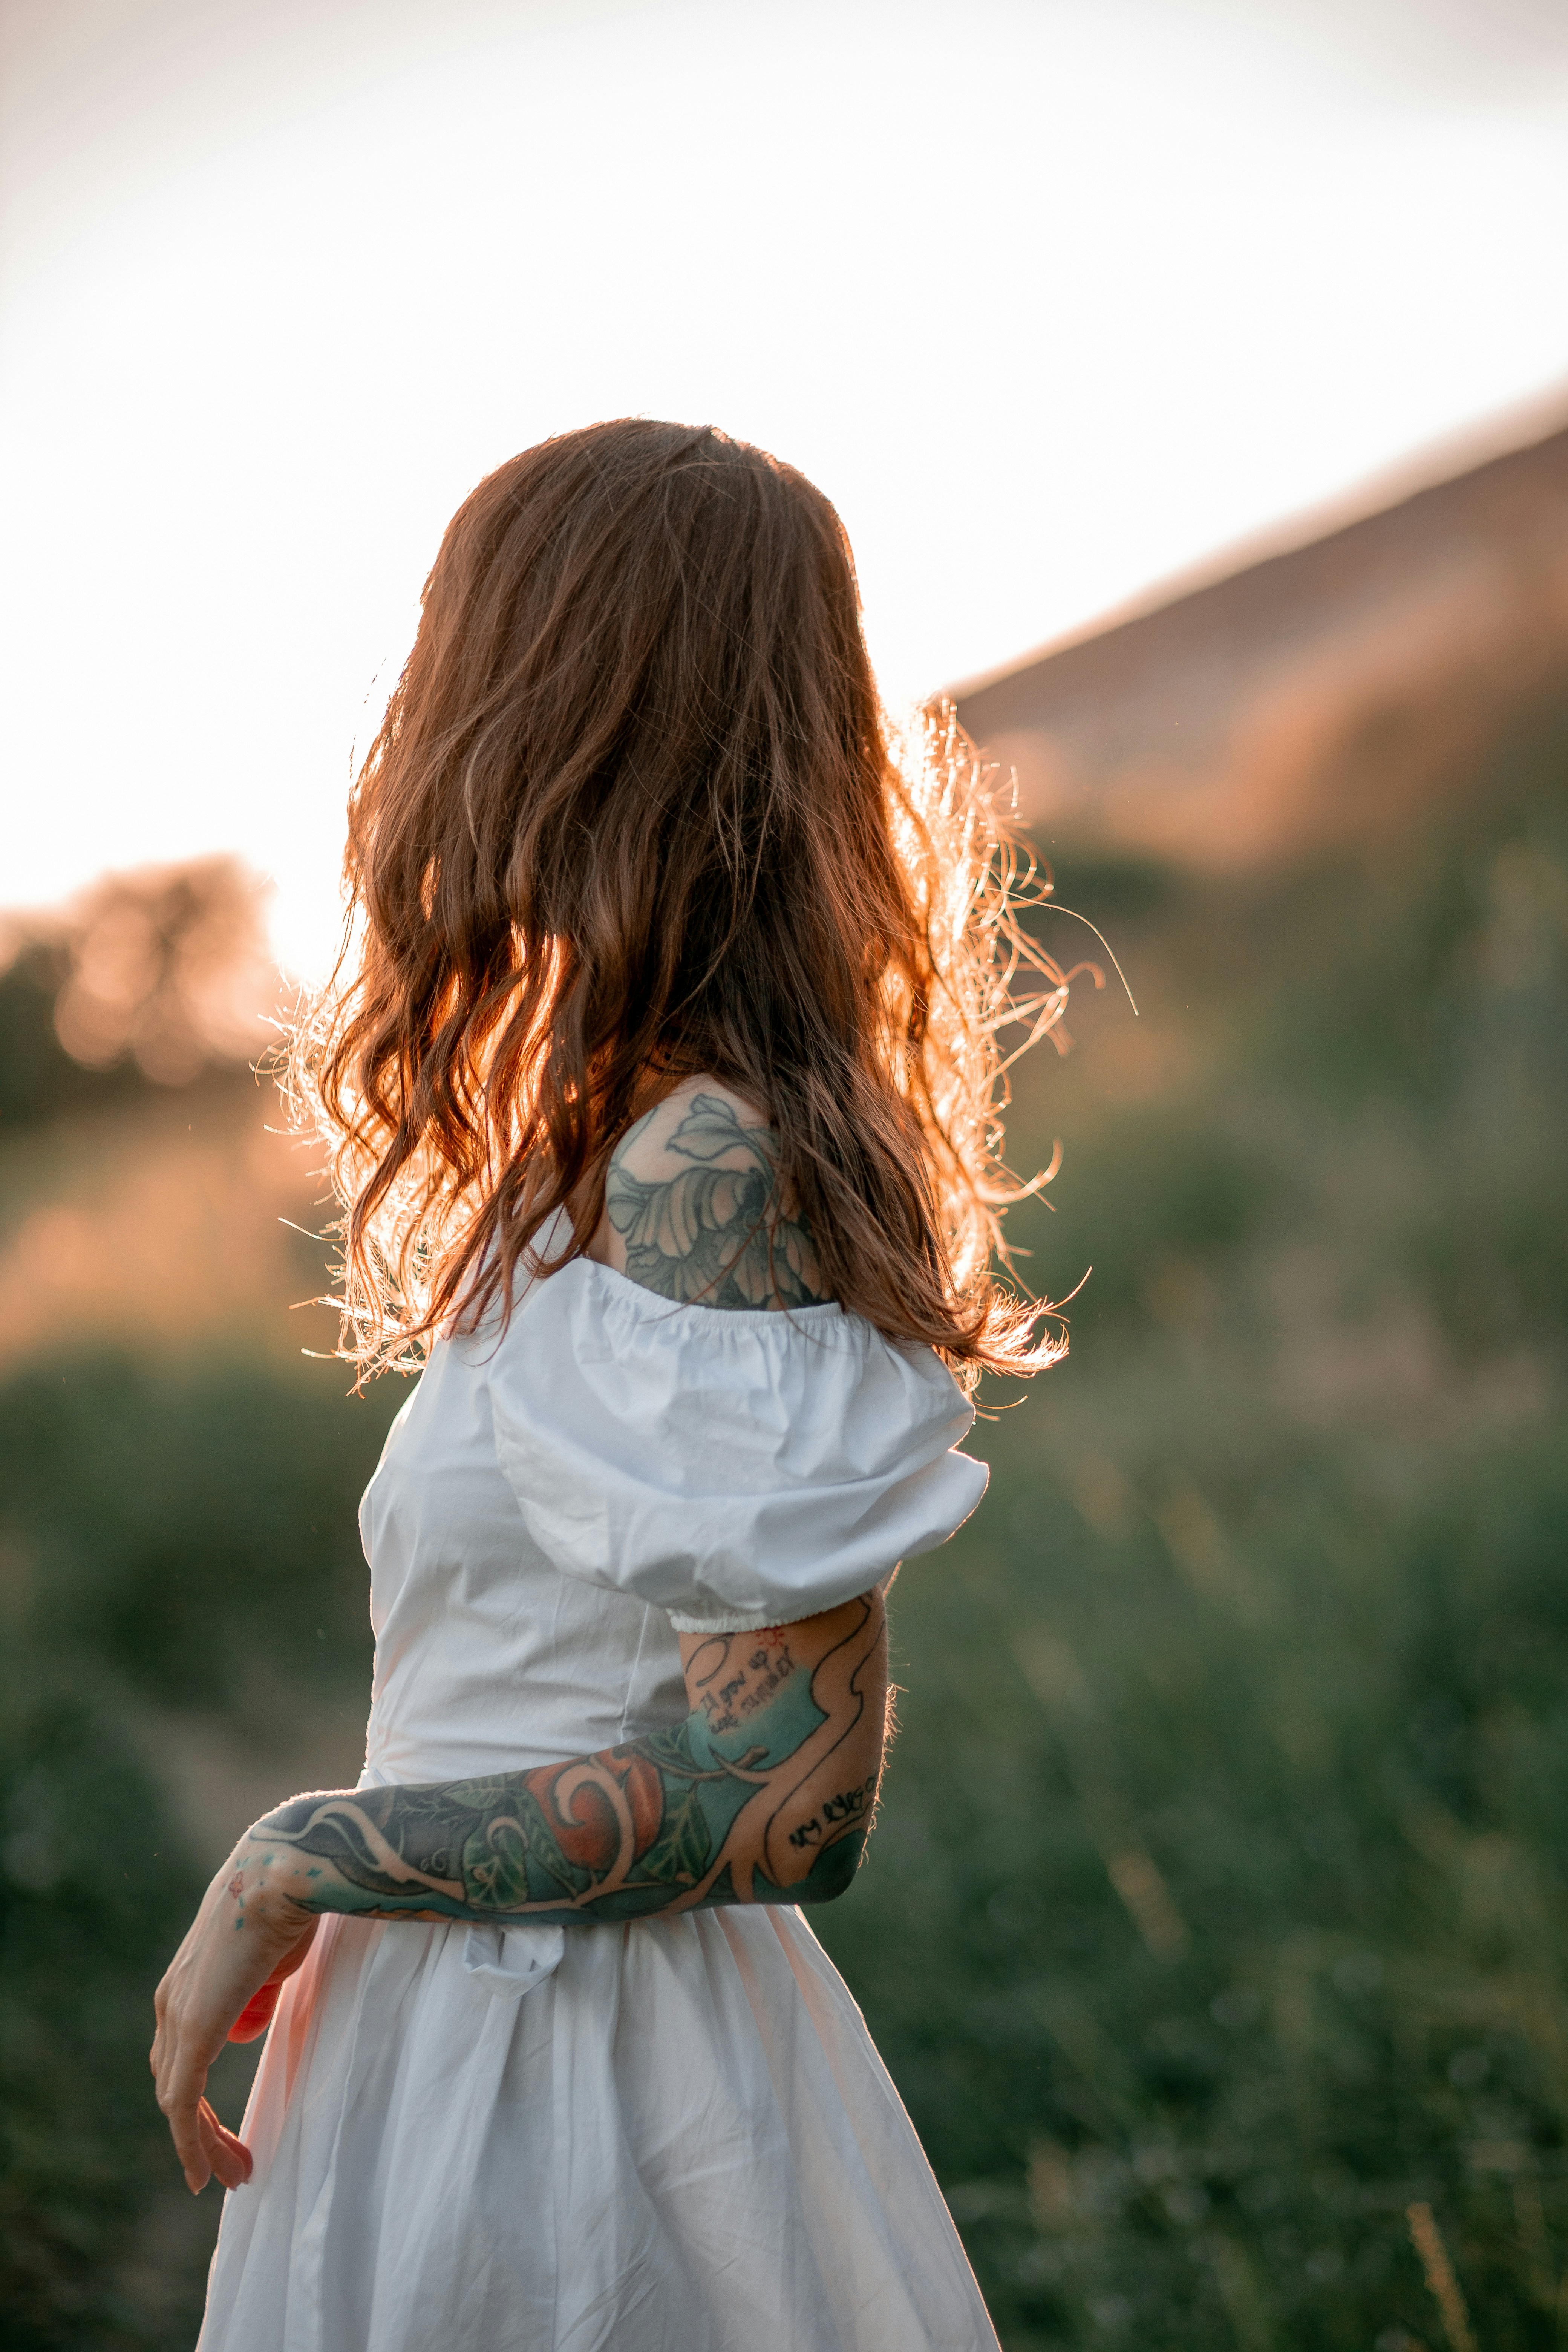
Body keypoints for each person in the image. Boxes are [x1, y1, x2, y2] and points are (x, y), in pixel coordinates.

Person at [151, 419, 1070, 2351]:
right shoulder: (603, 1143)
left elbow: (786, 1801)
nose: (409, 714)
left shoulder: (700, 1165)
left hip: (581, 2106)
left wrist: (313, 1847)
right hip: (443, 2045)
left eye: (450, 642)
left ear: (556, 704)